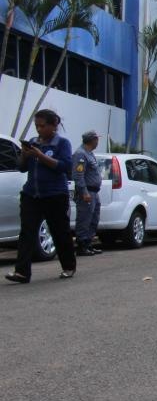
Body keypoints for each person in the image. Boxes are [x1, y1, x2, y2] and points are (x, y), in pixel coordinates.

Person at [5, 109, 77, 283]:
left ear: (53, 126)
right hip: (31, 194)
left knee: (60, 231)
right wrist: (25, 154)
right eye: (36, 126)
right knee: (27, 232)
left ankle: (68, 266)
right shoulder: (33, 142)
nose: (39, 129)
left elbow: (64, 167)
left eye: (42, 126)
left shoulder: (62, 144)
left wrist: (40, 155)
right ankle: (22, 272)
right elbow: (22, 167)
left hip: (55, 195)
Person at [72, 130, 103, 255]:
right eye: (96, 139)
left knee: (93, 219)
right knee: (84, 219)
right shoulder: (81, 154)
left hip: (94, 192)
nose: (97, 141)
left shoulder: (89, 154)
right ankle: (82, 245)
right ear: (92, 140)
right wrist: (84, 192)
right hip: (87, 192)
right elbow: (78, 175)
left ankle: (89, 243)